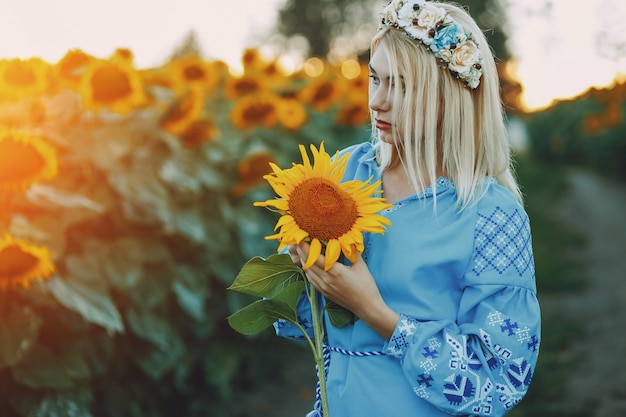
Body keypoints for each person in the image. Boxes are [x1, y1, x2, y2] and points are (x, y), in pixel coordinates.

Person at [275, 0, 541, 415]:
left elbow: (500, 380)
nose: (378, 101)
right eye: (375, 79)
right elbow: (301, 320)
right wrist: (299, 263)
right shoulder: (347, 171)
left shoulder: (491, 214)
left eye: (400, 86)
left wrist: (375, 312)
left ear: (447, 98)